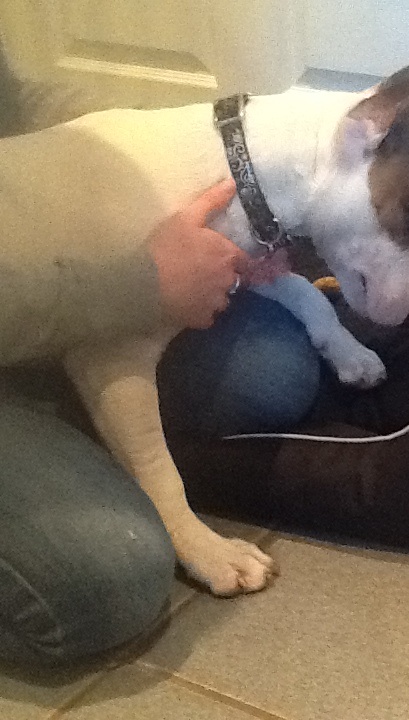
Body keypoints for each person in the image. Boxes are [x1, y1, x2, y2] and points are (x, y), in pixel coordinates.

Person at [1, 151, 324, 668]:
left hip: (35, 295)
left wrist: (225, 217)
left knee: (275, 374)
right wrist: (141, 284)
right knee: (109, 580)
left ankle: (75, 420)